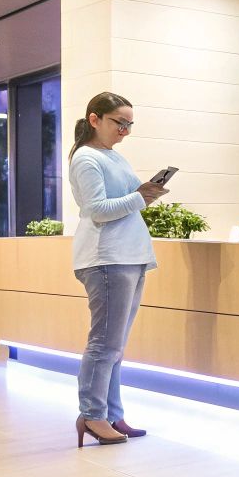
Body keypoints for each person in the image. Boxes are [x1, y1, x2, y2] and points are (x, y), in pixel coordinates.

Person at [68, 92, 167, 446]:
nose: (124, 130)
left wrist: (144, 194)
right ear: (94, 119)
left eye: (129, 124)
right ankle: (92, 415)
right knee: (104, 345)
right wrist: (142, 197)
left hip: (128, 256)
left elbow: (120, 205)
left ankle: (112, 413)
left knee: (116, 346)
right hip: (106, 258)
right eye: (118, 123)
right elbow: (98, 209)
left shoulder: (113, 156)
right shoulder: (86, 158)